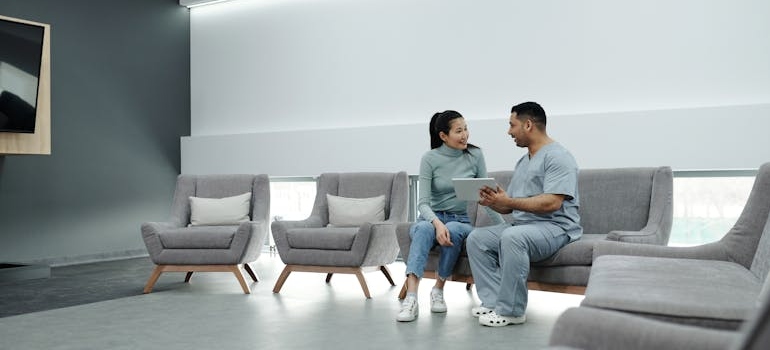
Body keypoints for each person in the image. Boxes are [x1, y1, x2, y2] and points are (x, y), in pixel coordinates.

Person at [467, 101, 582, 327]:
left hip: (556, 228)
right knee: (477, 238)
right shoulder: (523, 161)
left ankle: (511, 311)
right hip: (523, 226)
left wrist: (508, 201)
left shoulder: (558, 157)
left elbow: (552, 202)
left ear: (528, 124)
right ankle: (493, 302)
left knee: (513, 237)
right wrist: (493, 201)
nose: (509, 131)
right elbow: (512, 207)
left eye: (512, 125)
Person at [397, 110, 502, 322]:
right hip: (430, 218)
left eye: (466, 129)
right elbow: (423, 203)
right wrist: (436, 224)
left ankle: (438, 290)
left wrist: (503, 226)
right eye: (459, 131)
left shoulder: (475, 156)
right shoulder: (430, 159)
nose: (465, 135)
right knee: (424, 229)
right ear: (444, 136)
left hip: (460, 220)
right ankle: (411, 298)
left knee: (453, 229)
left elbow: (487, 197)